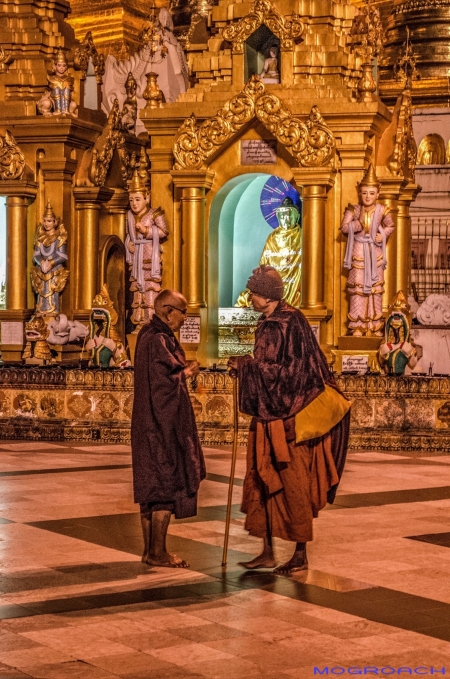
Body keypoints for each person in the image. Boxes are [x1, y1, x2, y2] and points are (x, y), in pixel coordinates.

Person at [228, 266, 350, 573]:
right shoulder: (266, 321)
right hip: (266, 414)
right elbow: (267, 366)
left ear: (267, 295)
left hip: (290, 418)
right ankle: (267, 550)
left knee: (293, 483)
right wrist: (247, 367)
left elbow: (292, 373)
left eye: (253, 292)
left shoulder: (291, 322)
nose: (250, 297)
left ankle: (299, 553)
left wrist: (246, 366)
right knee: (259, 480)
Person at [131, 289, 206, 567]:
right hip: (161, 426)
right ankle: (158, 552)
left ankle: (150, 551)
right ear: (167, 310)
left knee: (151, 486)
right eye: (182, 312)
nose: (185, 318)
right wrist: (187, 372)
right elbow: (164, 384)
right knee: (165, 484)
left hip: (146, 423)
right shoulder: (159, 339)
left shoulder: (146, 335)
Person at [340, 164, 395, 337]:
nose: (368, 196)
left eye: (371, 193)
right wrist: (359, 224)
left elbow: (390, 226)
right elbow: (344, 227)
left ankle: (375, 325)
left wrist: (382, 235)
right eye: (364, 193)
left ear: (377, 194)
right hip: (358, 252)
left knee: (375, 291)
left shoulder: (382, 210)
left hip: (374, 253)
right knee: (357, 291)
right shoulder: (354, 209)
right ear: (360, 193)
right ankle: (357, 326)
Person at [125, 155, 168, 328]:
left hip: (150, 258)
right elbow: (130, 235)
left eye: (138, 199)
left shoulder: (154, 214)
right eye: (131, 200)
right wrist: (129, 243)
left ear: (147, 198)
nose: (134, 204)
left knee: (150, 291)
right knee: (137, 292)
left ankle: (150, 323)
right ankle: (138, 324)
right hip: (137, 259)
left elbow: (164, 231)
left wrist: (147, 231)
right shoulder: (129, 216)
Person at [236, 196, 302, 308]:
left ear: (297, 216)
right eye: (282, 215)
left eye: (289, 215)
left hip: (294, 282)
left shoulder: (302, 236)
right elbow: (264, 264)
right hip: (273, 282)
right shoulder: (272, 237)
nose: (286, 219)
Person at [30, 201, 69, 316]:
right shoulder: (40, 237)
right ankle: (40, 312)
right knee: (41, 294)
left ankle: (53, 314)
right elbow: (36, 254)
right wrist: (41, 261)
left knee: (52, 293)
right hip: (42, 270)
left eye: (50, 221)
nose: (47, 224)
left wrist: (51, 263)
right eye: (45, 221)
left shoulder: (59, 238)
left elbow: (62, 256)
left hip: (53, 270)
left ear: (55, 222)